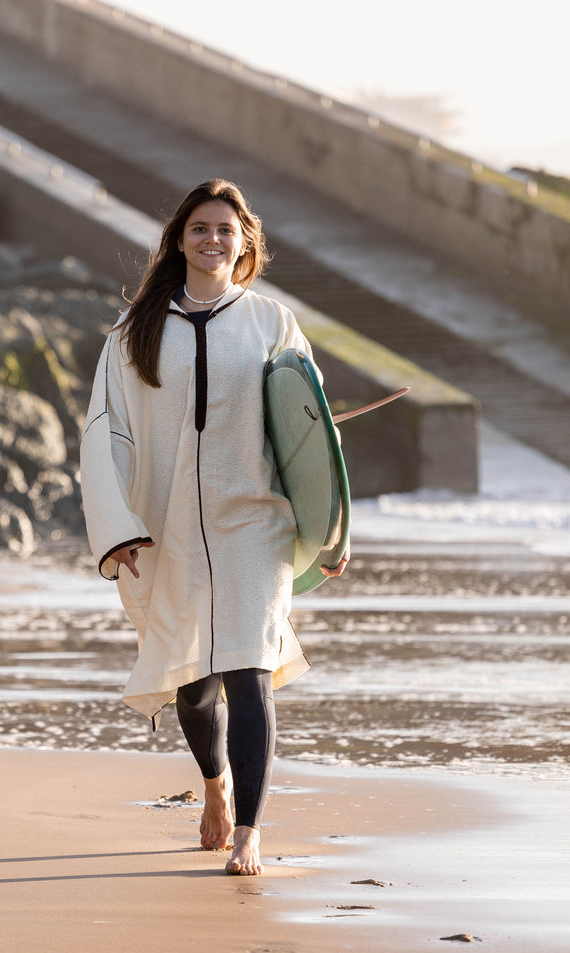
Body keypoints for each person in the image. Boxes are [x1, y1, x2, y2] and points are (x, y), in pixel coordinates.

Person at [79, 179, 347, 876]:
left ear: (244, 241)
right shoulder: (135, 329)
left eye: (225, 229)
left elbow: (308, 436)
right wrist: (120, 526)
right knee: (193, 685)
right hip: (166, 524)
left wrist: (329, 530)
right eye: (200, 228)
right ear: (179, 240)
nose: (212, 239)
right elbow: (106, 431)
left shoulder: (270, 323)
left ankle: (249, 833)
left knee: (247, 671)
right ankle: (213, 782)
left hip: (253, 523)